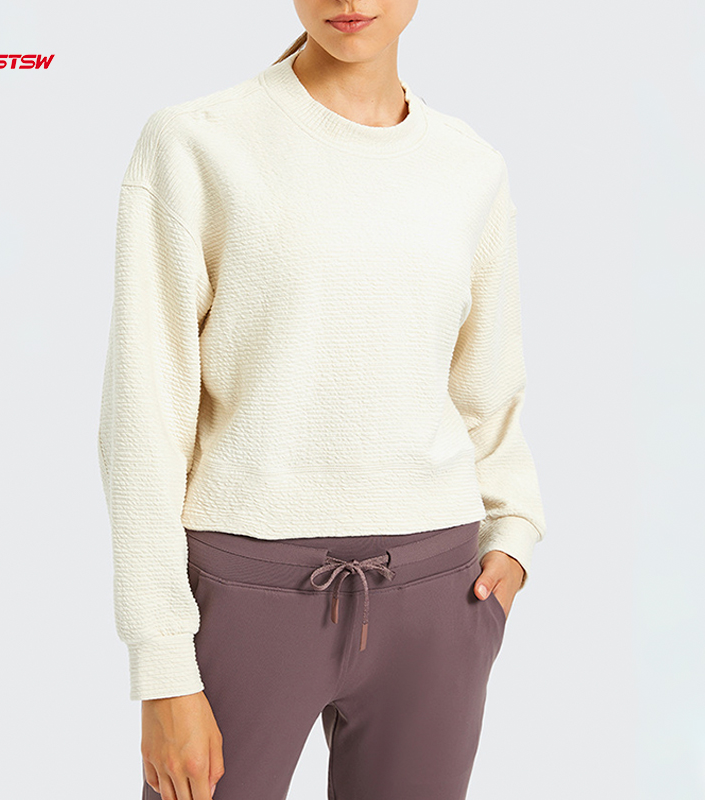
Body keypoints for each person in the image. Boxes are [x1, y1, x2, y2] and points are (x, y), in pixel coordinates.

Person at [97, 2, 547, 798]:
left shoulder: (470, 166)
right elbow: (145, 415)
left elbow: (487, 389)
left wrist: (514, 532)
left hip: (439, 592)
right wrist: (161, 661)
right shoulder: (196, 141)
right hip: (246, 596)